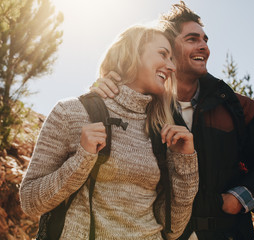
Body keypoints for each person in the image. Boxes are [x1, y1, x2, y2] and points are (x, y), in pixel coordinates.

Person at [91, 2, 254, 240]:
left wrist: (239, 198)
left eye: (205, 40)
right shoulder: (142, 105)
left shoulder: (238, 106)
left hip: (229, 233)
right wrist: (101, 86)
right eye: (192, 39)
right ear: (168, 48)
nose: (204, 47)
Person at [20, 23, 199, 240]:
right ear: (132, 54)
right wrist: (82, 159)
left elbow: (172, 229)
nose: (171, 67)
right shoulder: (71, 112)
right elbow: (30, 202)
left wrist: (185, 162)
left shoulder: (161, 130)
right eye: (163, 54)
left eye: (172, 59)